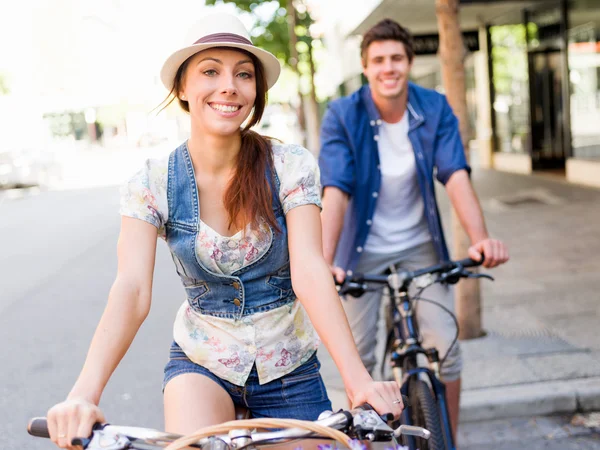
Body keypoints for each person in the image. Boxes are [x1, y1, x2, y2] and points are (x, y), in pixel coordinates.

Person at [45, 13, 405, 450]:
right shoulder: (151, 183)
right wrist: (84, 394)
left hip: (288, 365)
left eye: (243, 74)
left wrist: (358, 380)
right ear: (182, 87)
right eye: (210, 71)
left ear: (256, 89)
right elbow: (132, 289)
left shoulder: (289, 165)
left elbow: (310, 270)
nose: (229, 85)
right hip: (202, 362)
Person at [318, 18, 509, 440]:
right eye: (379, 60)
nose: (389, 68)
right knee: (359, 357)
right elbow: (336, 188)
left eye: (397, 58)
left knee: (447, 348)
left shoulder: (434, 107)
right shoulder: (343, 115)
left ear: (409, 61)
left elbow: (454, 173)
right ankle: (363, 443)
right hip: (361, 252)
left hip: (421, 245)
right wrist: (325, 262)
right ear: (366, 67)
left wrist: (480, 239)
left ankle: (448, 440)